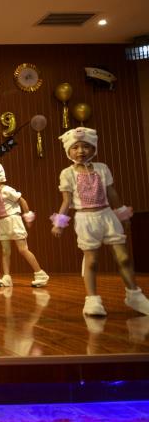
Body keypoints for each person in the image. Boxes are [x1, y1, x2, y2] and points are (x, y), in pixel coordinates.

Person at [51, 127, 149, 316]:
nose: (81, 151)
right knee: (92, 261)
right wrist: (59, 224)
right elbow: (66, 201)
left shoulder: (102, 168)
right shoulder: (67, 173)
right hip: (86, 220)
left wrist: (122, 215)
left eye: (86, 146)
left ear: (93, 148)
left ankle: (134, 295)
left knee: (123, 257)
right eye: (75, 147)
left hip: (107, 216)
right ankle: (92, 300)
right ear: (69, 151)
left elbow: (112, 193)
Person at [0, 158, 48, 288]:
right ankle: (6, 277)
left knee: (23, 249)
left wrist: (28, 217)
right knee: (5, 251)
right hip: (2, 222)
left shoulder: (7, 190)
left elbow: (22, 201)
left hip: (14, 220)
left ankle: (40, 274)